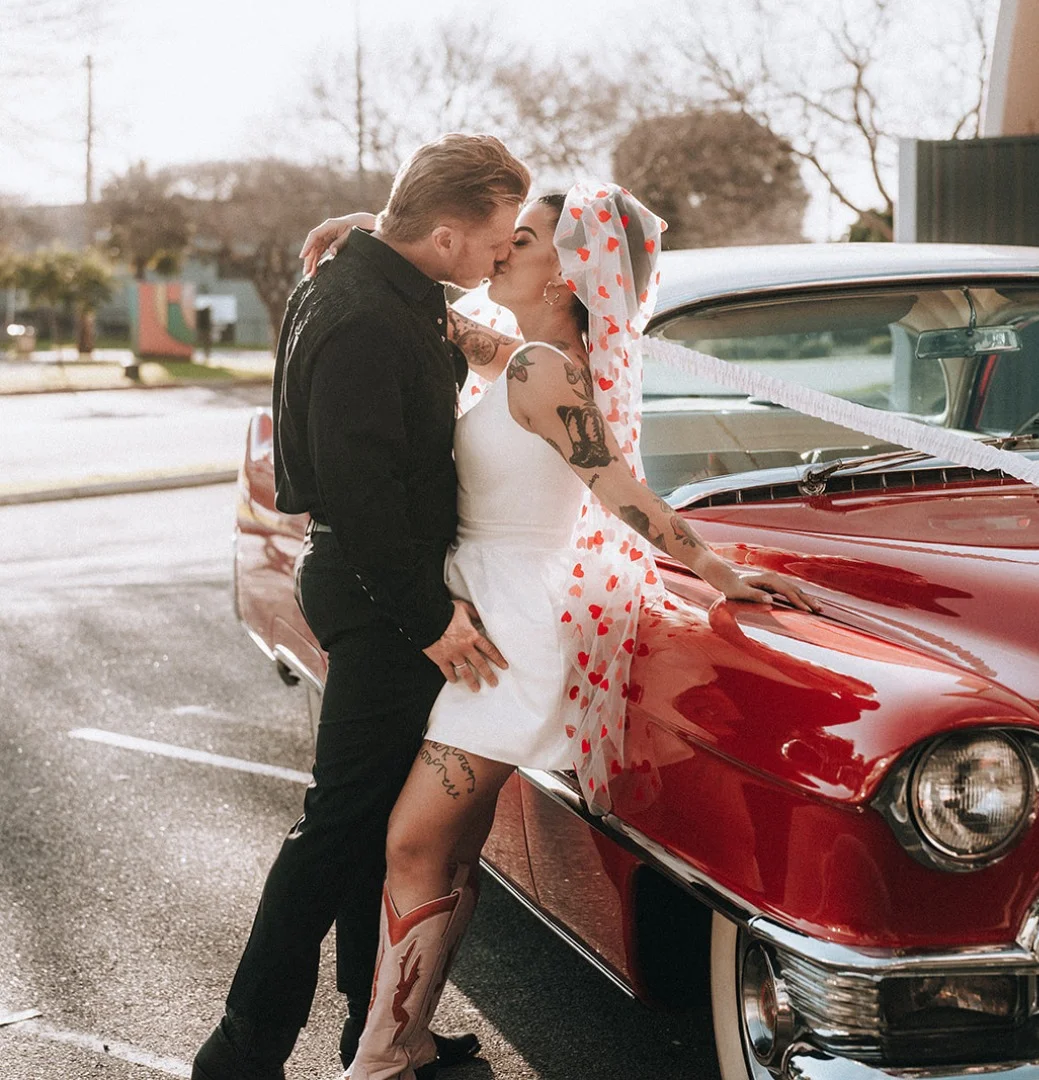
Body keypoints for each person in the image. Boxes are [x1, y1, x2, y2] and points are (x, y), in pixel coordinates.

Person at [302, 181, 816, 1080]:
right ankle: (405, 1040)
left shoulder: (546, 372)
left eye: (524, 239)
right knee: (450, 849)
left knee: (413, 844)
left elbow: (623, 496)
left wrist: (727, 576)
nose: (500, 248)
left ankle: (379, 1062)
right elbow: (442, 312)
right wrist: (372, 236)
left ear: (565, 273)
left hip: (508, 639)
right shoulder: (532, 356)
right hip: (491, 612)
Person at [191, 133, 532, 1080]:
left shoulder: (375, 284)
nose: (505, 252)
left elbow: (451, 305)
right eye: (498, 235)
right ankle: (243, 1048)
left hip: (384, 587)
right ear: (449, 235)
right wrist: (431, 620)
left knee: (372, 819)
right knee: (340, 824)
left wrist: (362, 226)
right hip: (382, 595)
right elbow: (358, 487)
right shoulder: (363, 314)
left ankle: (368, 1031)